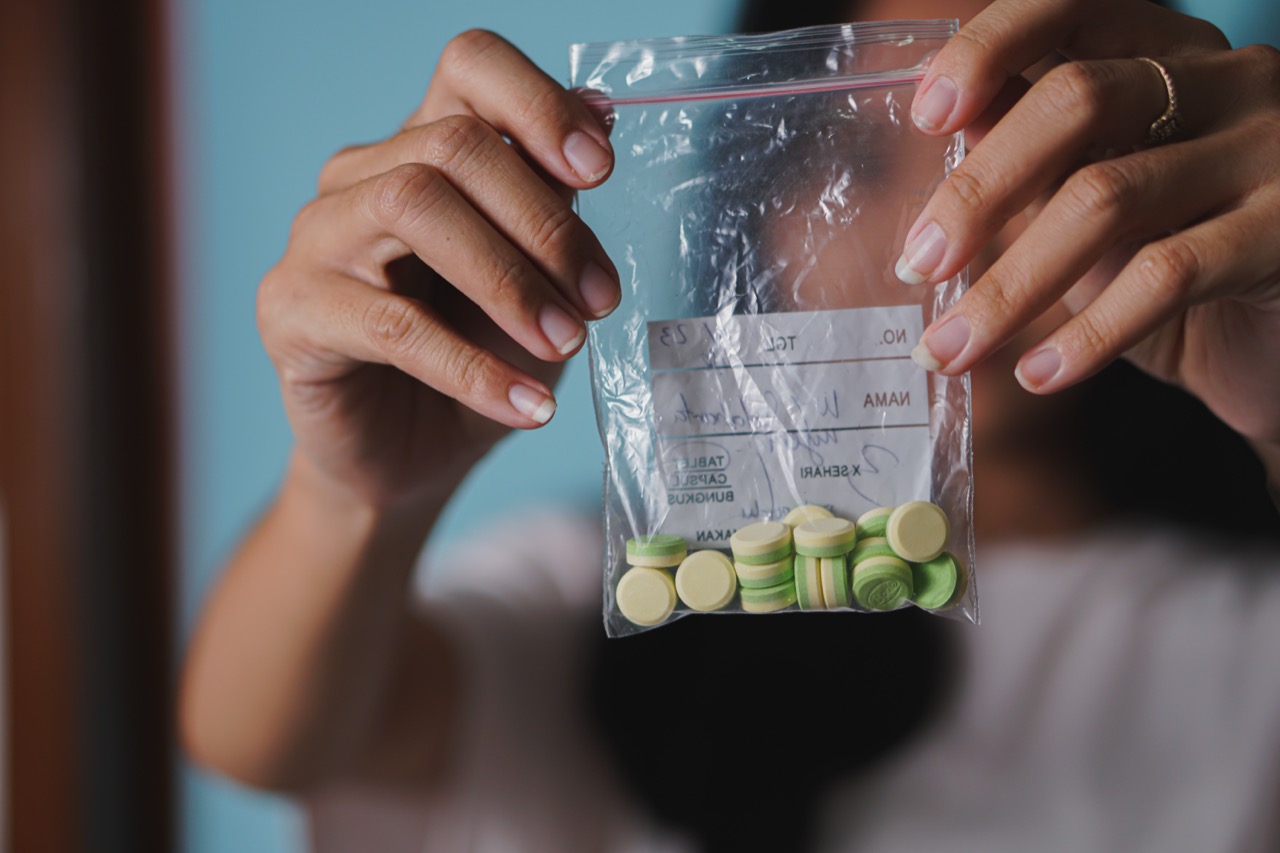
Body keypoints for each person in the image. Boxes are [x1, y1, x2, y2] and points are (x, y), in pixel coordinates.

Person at [179, 0, 1280, 850]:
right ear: (752, 200)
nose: (941, 228)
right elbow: (260, 735)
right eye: (851, 159)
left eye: (1026, 151)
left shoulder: (1239, 632)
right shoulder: (608, 587)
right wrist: (354, 495)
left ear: (1143, 178)